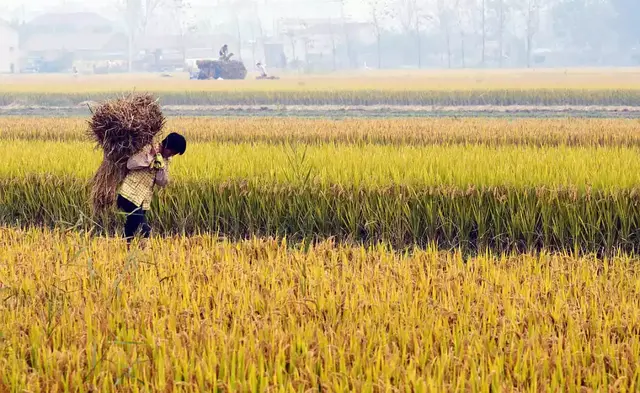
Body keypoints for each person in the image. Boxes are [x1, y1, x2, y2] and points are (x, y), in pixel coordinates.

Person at [116, 132, 187, 247]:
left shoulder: (165, 160)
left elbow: (162, 182)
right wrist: (150, 156)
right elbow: (130, 164)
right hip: (128, 195)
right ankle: (142, 251)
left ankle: (124, 249)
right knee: (144, 229)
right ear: (167, 145)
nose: (172, 155)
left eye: (175, 153)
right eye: (172, 152)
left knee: (131, 227)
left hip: (143, 200)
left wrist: (161, 168)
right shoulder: (147, 147)